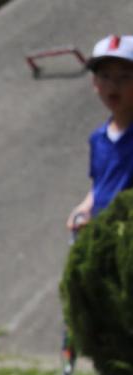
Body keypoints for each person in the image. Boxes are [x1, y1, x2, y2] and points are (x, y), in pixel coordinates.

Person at [67, 34, 133, 231]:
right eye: (104, 76)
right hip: (105, 233)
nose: (113, 86)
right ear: (94, 84)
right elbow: (100, 186)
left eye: (124, 77)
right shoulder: (98, 139)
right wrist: (85, 208)